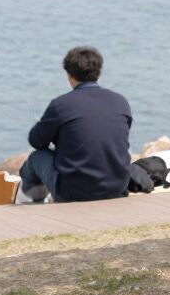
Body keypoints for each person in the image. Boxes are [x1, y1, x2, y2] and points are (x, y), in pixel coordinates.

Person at [20, 46, 133, 204]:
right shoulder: (120, 102)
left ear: (69, 74)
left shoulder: (61, 105)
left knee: (36, 157)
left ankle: (33, 203)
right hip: (116, 188)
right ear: (98, 72)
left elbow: (36, 141)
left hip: (73, 193)